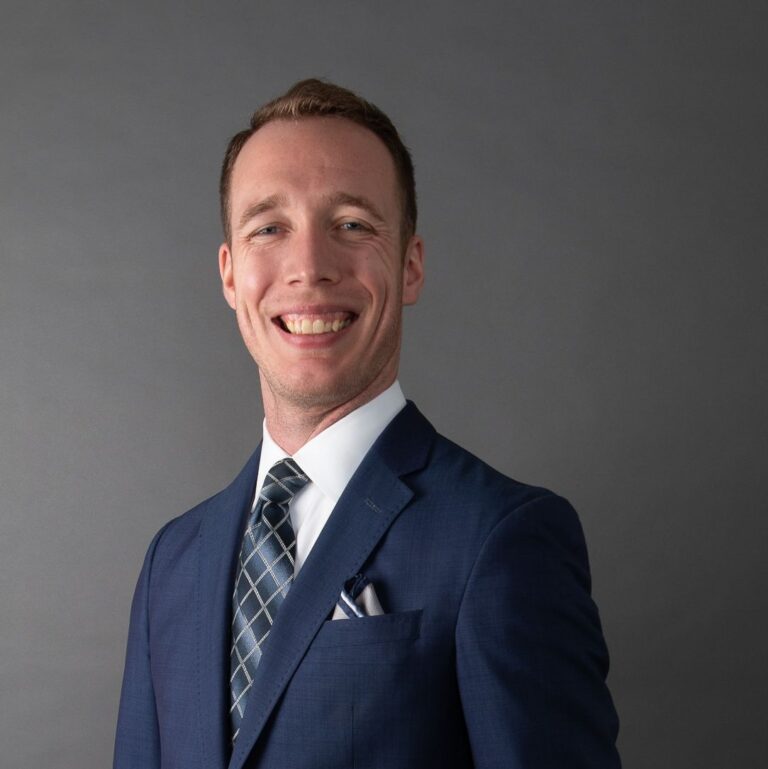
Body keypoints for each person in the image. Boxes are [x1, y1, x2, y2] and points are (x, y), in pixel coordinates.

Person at [114, 79, 621, 769]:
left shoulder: (502, 539)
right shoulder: (172, 562)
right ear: (230, 275)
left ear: (410, 266)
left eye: (352, 224)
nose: (308, 267)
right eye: (269, 227)